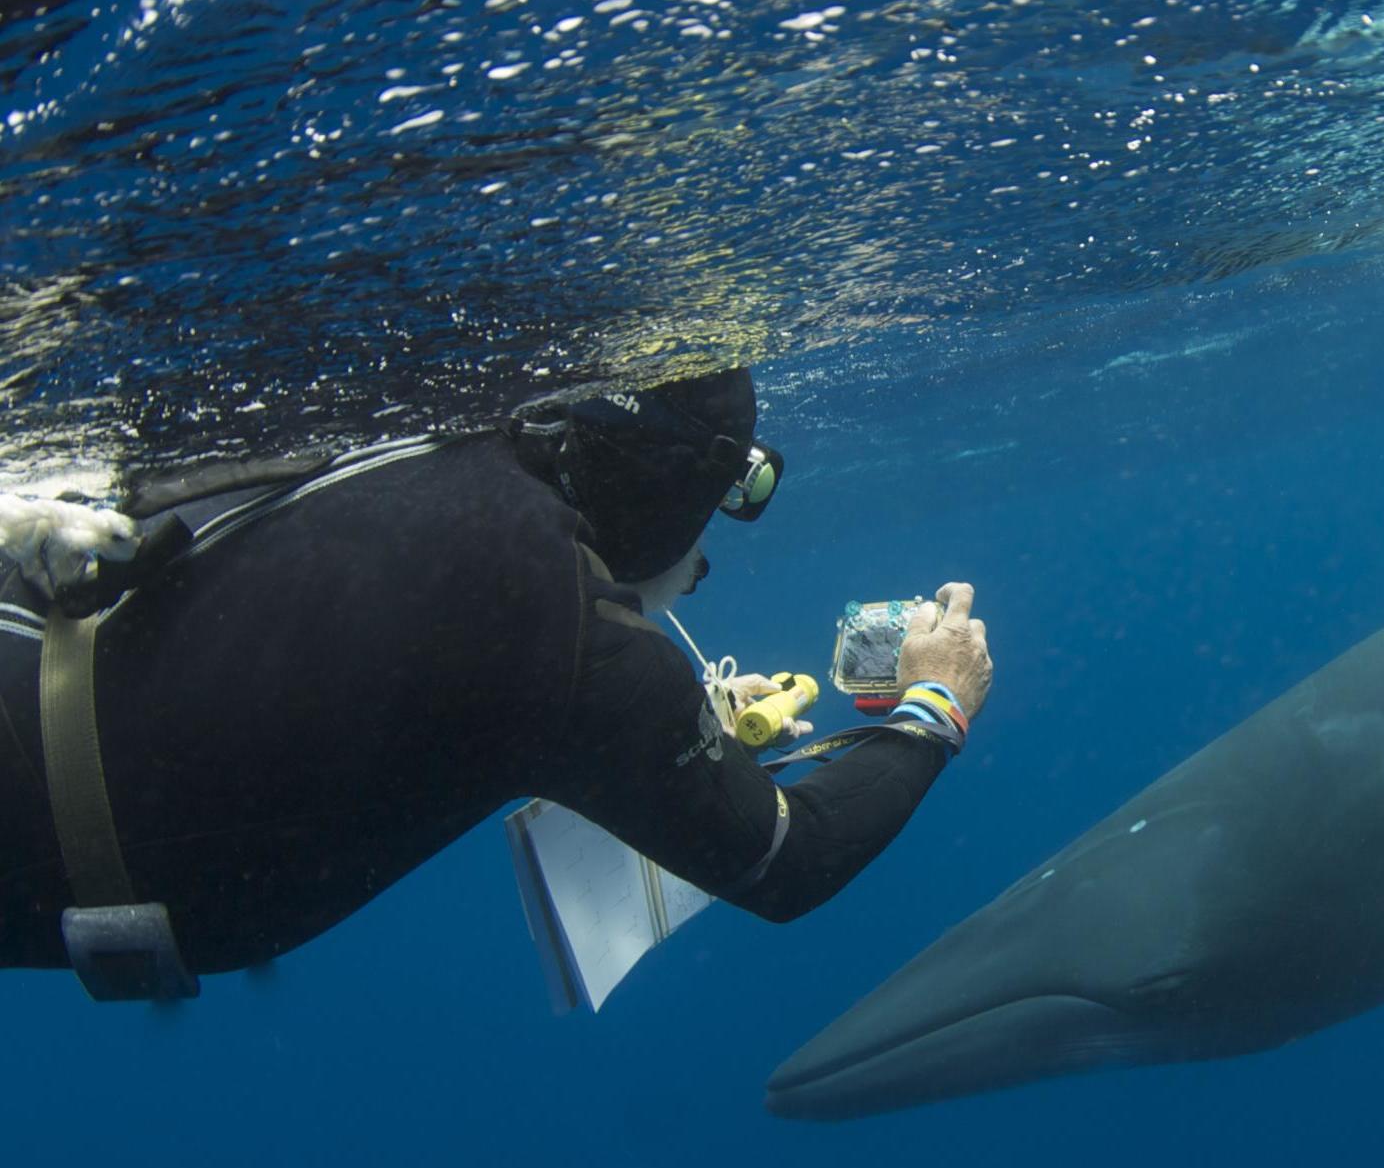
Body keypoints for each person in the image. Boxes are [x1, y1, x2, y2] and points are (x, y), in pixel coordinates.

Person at [0, 368, 993, 999]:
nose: (693, 564)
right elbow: (792, 864)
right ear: (665, 496)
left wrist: (666, 728)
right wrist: (935, 703)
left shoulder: (416, 436)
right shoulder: (562, 626)